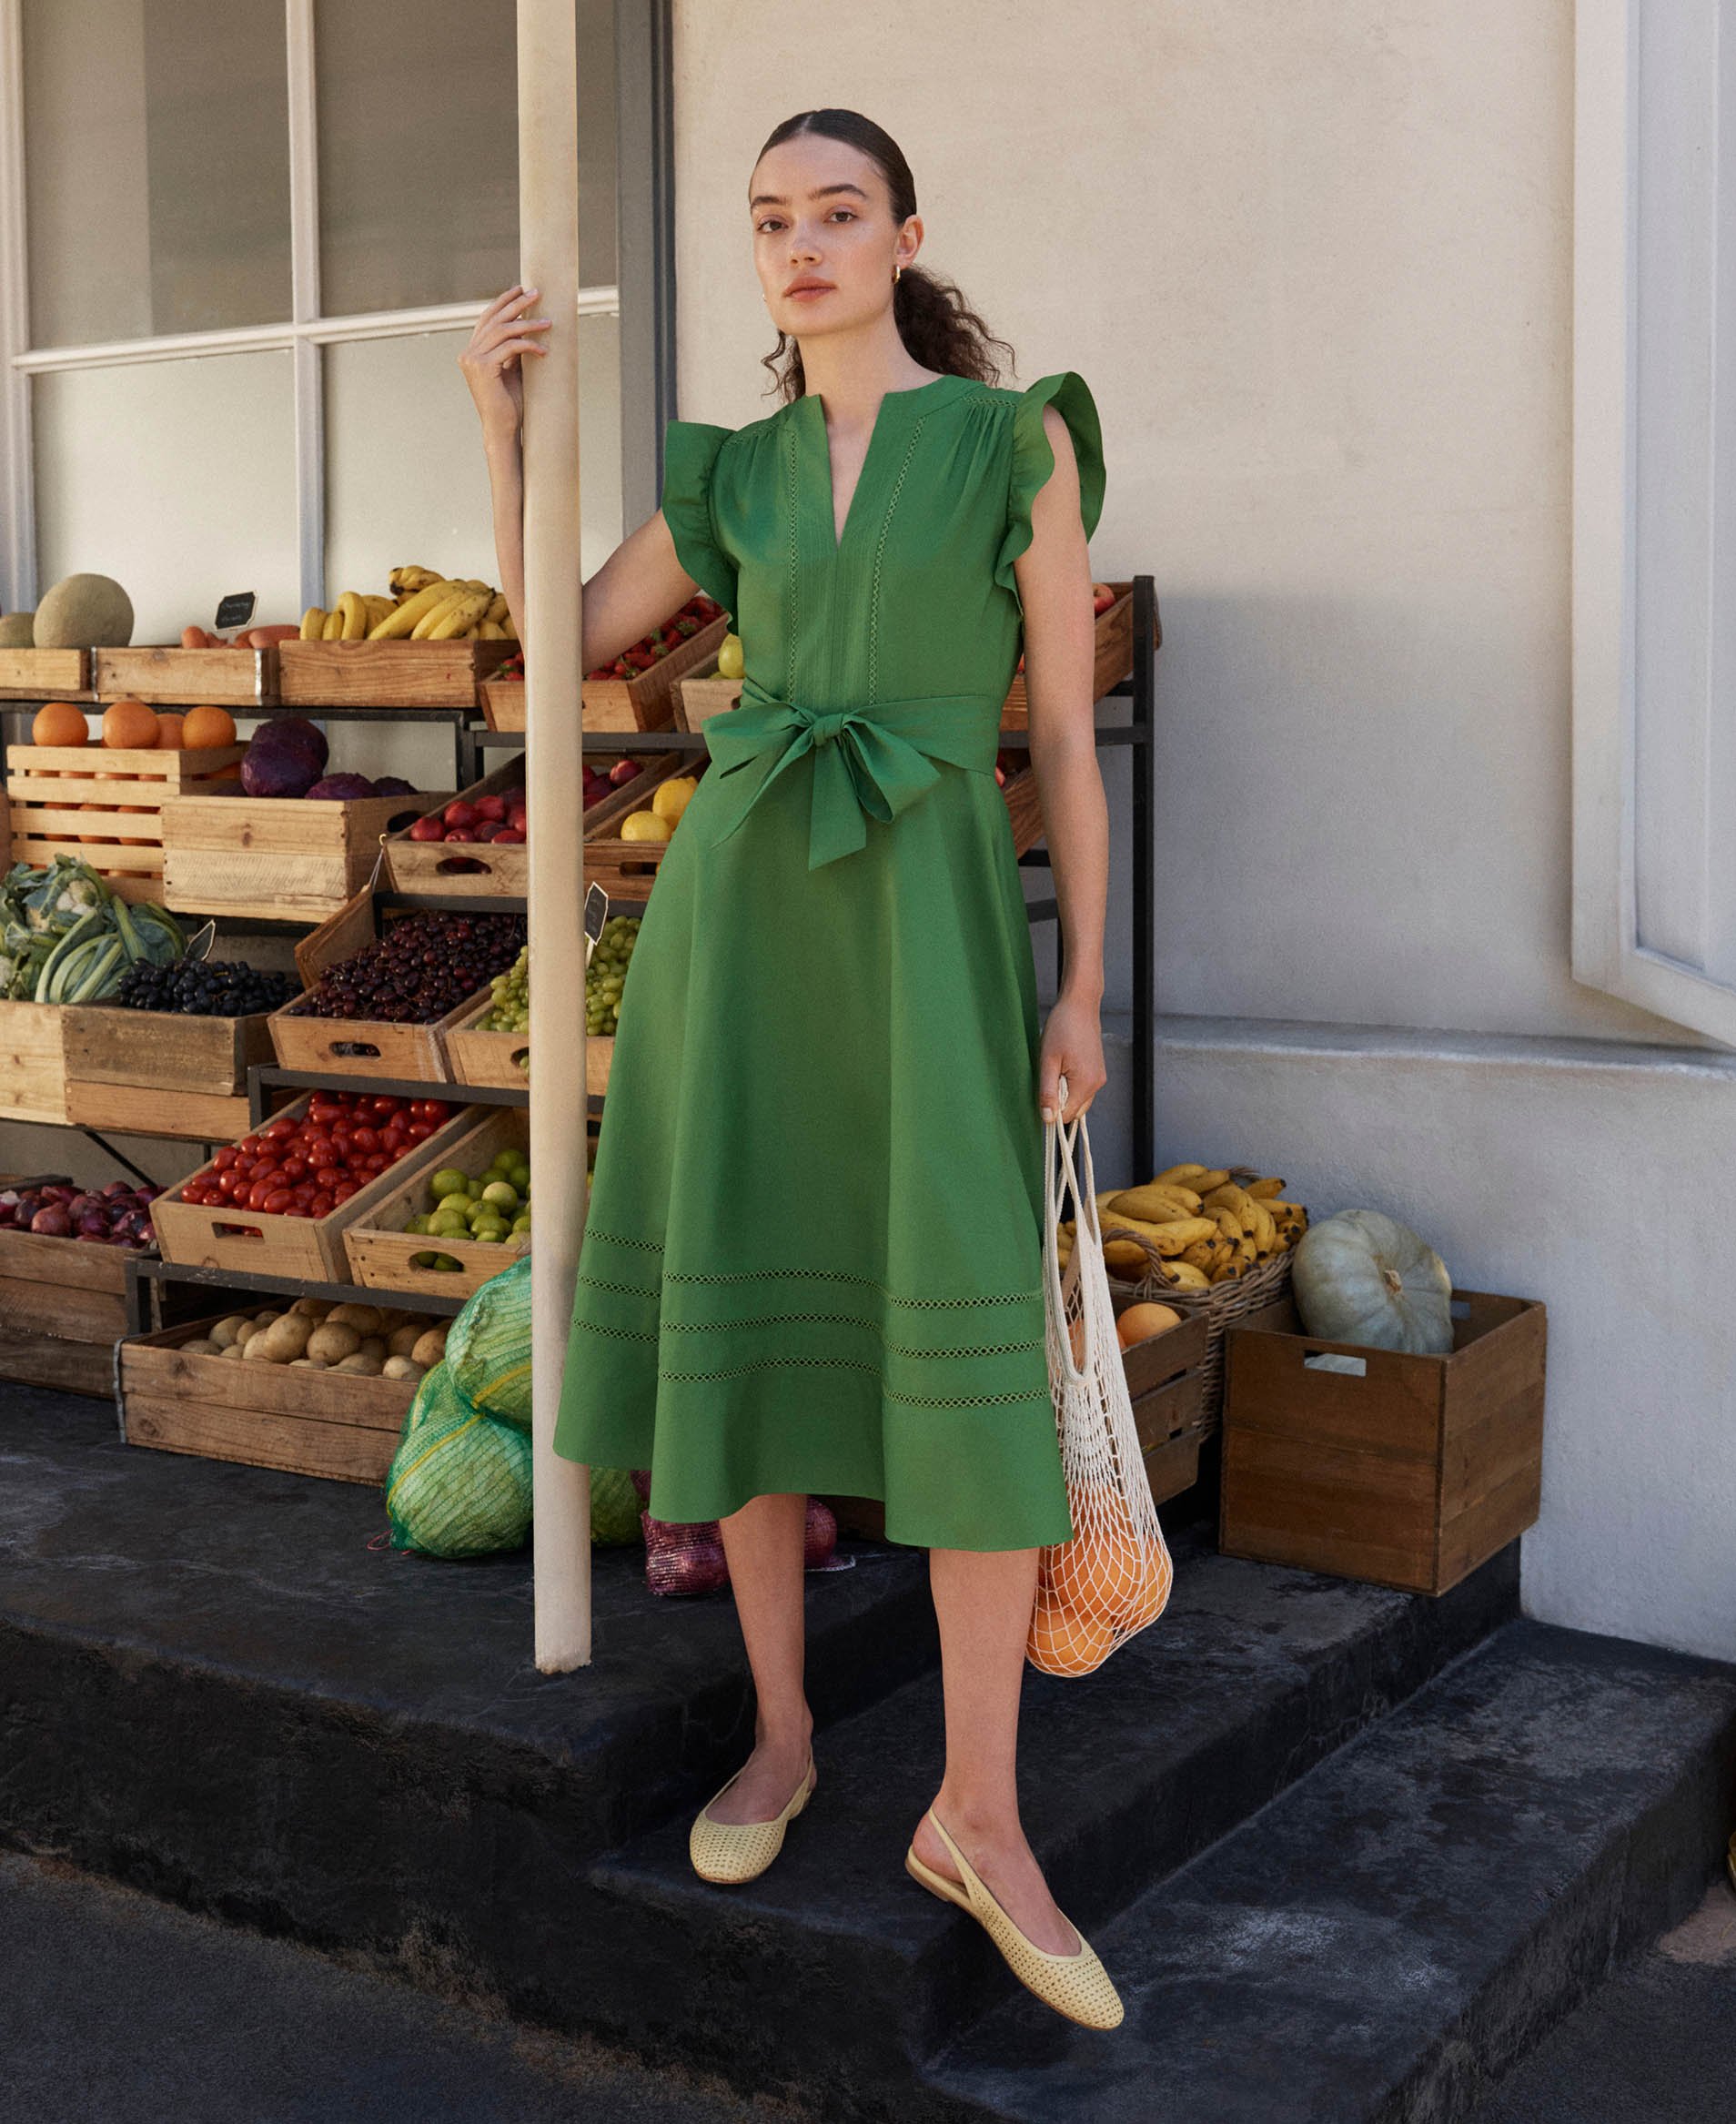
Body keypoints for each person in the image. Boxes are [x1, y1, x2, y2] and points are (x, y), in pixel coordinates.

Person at [461, 107, 1120, 2033]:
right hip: (740, 919)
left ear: (907, 233)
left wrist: (1082, 989)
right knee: (748, 1323)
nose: (803, 243)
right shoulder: (735, 473)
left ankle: (982, 1814)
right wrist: (507, 433)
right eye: (771, 220)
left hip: (925, 917)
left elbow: (1065, 743)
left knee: (969, 1333)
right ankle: (779, 1732)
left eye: (839, 212)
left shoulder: (1020, 439)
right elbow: (559, 654)